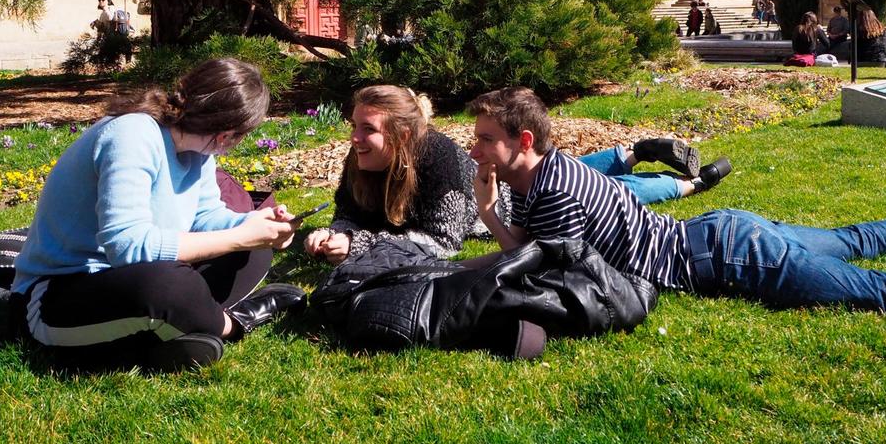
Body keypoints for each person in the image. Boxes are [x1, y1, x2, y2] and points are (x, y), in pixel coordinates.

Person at [468, 87, 886, 344]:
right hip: (724, 232)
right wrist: (501, 211)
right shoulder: (558, 170)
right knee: (859, 239)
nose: (475, 148)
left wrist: (490, 216)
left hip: (733, 254)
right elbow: (540, 245)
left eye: (486, 139)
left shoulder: (551, 190)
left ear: (524, 142)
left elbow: (537, 270)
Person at [11, 58, 305, 373]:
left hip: (134, 279)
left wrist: (257, 227)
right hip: (59, 293)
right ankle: (233, 324)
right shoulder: (132, 134)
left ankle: (169, 330)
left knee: (253, 254)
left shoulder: (199, 151)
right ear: (227, 134)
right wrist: (237, 237)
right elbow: (127, 247)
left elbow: (205, 217)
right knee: (170, 286)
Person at [304, 85, 728, 266]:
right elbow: (348, 211)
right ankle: (634, 151)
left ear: (400, 135)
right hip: (526, 175)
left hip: (508, 196)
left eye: (368, 130)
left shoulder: (441, 161)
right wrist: (333, 232)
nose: (355, 138)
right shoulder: (358, 159)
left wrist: (360, 244)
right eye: (354, 127)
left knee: (612, 191)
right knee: (579, 172)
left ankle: (691, 182)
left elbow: (443, 242)